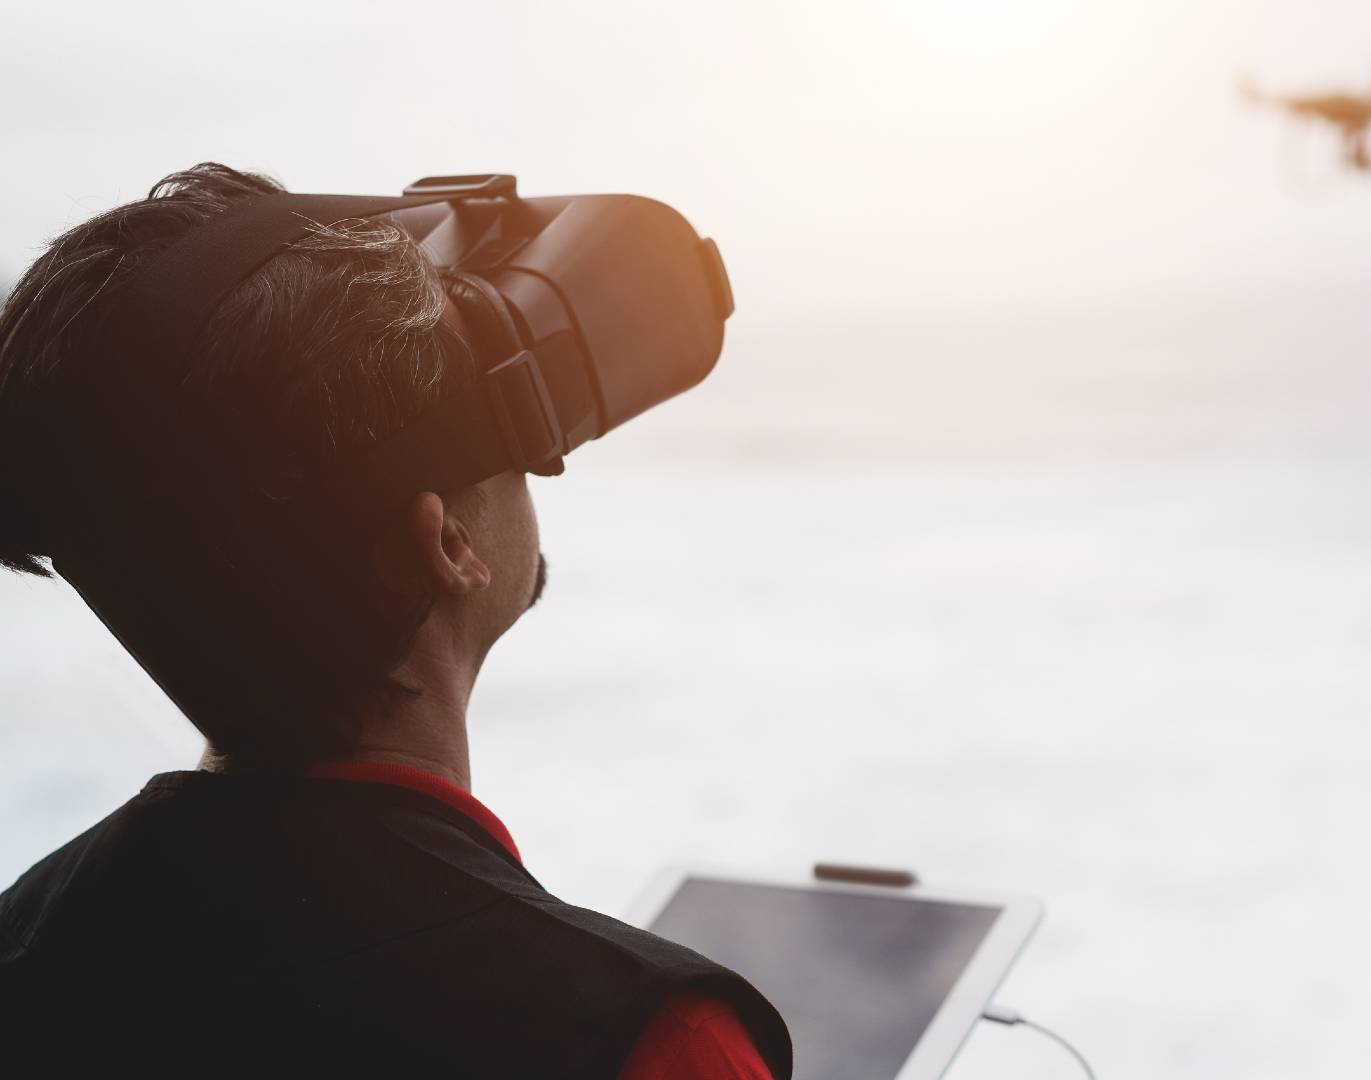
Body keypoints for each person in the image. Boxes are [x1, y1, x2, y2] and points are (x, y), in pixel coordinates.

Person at [0, 164, 792, 1079]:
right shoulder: (641, 1039)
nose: (542, 462)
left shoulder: (27, 946)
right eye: (514, 434)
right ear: (447, 543)